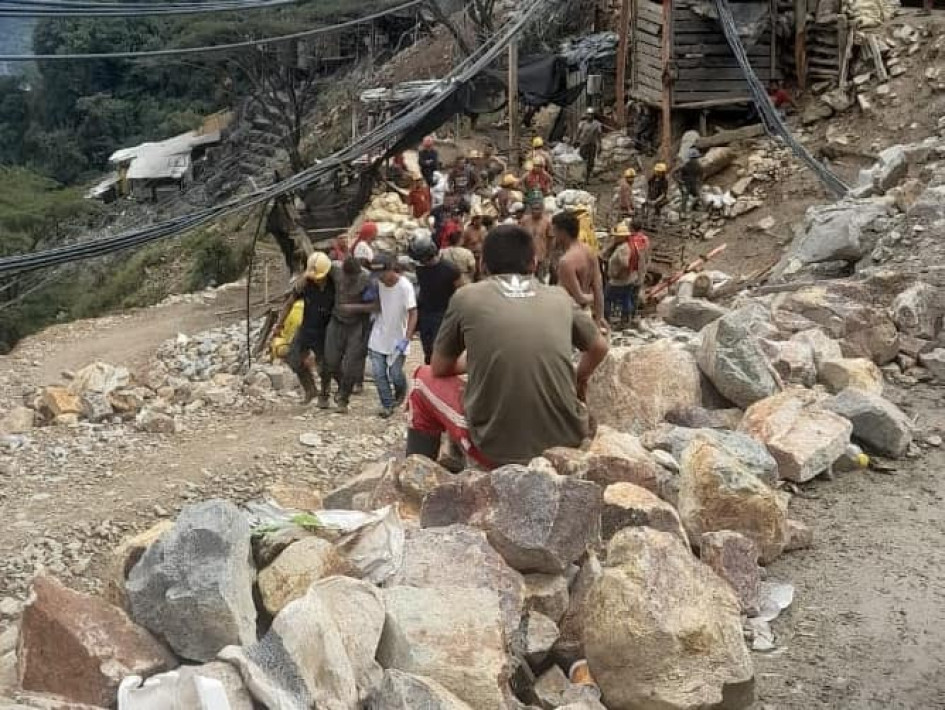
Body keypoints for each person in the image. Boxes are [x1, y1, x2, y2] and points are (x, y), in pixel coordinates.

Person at [406, 224, 610, 467]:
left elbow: (439, 367)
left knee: (421, 379)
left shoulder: (467, 296)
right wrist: (579, 377)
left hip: (494, 450)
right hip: (566, 440)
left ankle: (413, 477)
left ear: (483, 266)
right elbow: (599, 347)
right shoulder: (559, 297)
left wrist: (478, 358)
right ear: (534, 263)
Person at [280, 252, 336, 406]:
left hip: (325, 332)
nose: (316, 279)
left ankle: (324, 395)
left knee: (324, 366)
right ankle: (310, 389)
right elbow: (289, 303)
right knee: (293, 358)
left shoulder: (335, 285)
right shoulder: (305, 284)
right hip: (306, 328)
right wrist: (279, 325)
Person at [368, 254, 418, 418]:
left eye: (382, 274)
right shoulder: (378, 284)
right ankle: (387, 405)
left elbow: (413, 313)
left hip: (398, 337)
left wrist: (407, 338)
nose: (380, 279)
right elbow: (376, 304)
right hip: (379, 334)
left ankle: (400, 390)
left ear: (391, 270)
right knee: (378, 373)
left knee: (395, 374)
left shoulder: (405, 287)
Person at [324, 256, 372, 413]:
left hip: (357, 325)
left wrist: (354, 308)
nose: (350, 280)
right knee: (330, 361)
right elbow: (317, 264)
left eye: (353, 277)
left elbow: (376, 305)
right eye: (348, 277)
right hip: (336, 320)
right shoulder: (334, 269)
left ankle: (343, 398)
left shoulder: (367, 278)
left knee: (351, 364)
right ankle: (341, 386)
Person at [409, 232, 461, 364]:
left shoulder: (450, 269)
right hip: (425, 314)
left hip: (443, 315)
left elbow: (461, 293)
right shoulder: (420, 270)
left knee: (439, 350)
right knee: (428, 351)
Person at [553, 211, 604, 325]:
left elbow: (579, 297)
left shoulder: (566, 261)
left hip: (570, 315)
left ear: (562, 232)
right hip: (586, 312)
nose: (553, 234)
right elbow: (598, 287)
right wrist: (599, 317)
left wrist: (591, 298)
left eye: (555, 230)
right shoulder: (589, 251)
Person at [604, 222, 635, 327]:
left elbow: (625, 263)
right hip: (629, 279)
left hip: (619, 280)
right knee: (626, 299)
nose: (615, 238)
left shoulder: (622, 249)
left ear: (622, 237)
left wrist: (617, 273)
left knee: (607, 298)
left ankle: (606, 320)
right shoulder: (627, 245)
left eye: (616, 236)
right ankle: (626, 320)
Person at [520, 199, 552, 281]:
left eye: (537, 209)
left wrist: (548, 256)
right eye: (533, 209)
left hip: (541, 255)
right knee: (526, 278)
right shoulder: (524, 221)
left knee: (540, 279)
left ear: (542, 210)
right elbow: (520, 236)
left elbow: (550, 239)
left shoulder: (546, 222)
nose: (535, 211)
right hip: (527, 255)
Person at [575, 108, 603, 186]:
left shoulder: (597, 124)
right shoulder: (582, 124)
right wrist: (576, 141)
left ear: (593, 115)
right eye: (588, 114)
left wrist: (600, 145)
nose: (590, 116)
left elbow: (599, 136)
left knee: (590, 162)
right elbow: (578, 133)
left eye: (591, 115)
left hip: (592, 145)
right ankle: (580, 178)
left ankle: (587, 179)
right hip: (583, 144)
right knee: (582, 161)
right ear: (586, 115)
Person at [677, 149, 702, 215]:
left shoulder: (698, 166)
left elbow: (700, 175)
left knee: (697, 195)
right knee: (685, 196)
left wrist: (699, 182)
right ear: (690, 158)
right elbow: (676, 173)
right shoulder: (685, 166)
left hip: (693, 183)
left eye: (695, 158)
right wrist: (679, 181)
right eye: (693, 158)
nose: (694, 160)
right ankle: (683, 211)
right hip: (686, 183)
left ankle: (695, 207)